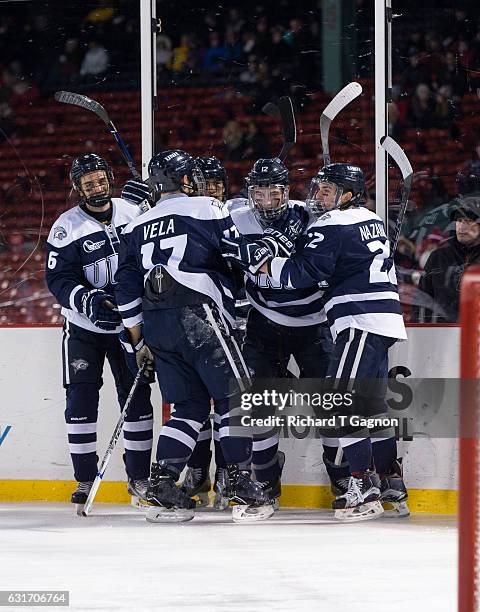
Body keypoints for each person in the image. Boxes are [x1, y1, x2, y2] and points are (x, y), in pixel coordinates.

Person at [222, 163, 409, 520]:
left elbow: (300, 273)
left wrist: (261, 261)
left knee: (339, 402)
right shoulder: (369, 218)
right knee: (372, 406)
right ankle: (391, 484)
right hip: (380, 318)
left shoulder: (330, 224)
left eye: (327, 191)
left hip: (359, 320)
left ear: (348, 195)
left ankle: (361, 485)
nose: (317, 197)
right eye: (319, 189)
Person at [115, 149, 271, 523]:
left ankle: (163, 483)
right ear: (185, 180)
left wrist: (138, 342)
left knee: (187, 409)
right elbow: (238, 254)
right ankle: (239, 483)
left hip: (155, 325)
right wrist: (267, 245)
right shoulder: (208, 208)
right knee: (236, 398)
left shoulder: (138, 224)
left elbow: (125, 287)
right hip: (198, 316)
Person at [45, 154, 154, 513]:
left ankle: (139, 477)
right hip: (84, 330)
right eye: (87, 183)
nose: (96, 186)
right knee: (80, 402)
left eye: (100, 179)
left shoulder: (132, 212)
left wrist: (154, 204)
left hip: (129, 325)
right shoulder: (66, 226)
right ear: (78, 188)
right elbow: (58, 279)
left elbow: (150, 256)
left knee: (137, 400)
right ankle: (85, 477)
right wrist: (87, 300)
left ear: (110, 179)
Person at [416, 197, 480, 322]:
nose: (461, 227)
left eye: (468, 221)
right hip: (441, 333)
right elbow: (422, 301)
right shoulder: (438, 257)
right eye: (459, 220)